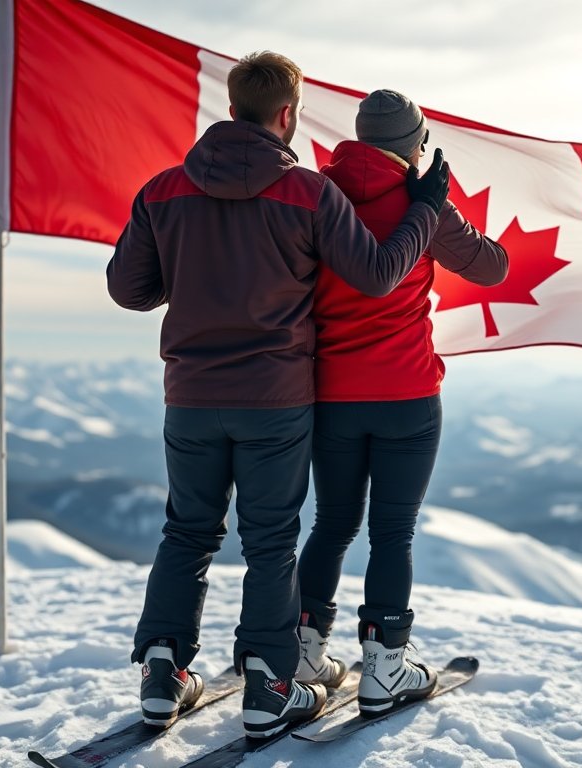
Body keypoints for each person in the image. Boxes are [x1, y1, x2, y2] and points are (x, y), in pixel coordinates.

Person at [106, 55, 451, 738]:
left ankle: (162, 675)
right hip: (275, 399)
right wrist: (424, 208)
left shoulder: (163, 191)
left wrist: (194, 273)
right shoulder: (308, 194)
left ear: (232, 108)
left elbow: (129, 290)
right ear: (287, 114)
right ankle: (269, 687)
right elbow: (378, 274)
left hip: (191, 396)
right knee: (270, 542)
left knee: (188, 531)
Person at [294, 89, 508, 716]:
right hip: (407, 395)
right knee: (393, 532)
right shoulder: (424, 206)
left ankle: (305, 654)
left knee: (331, 524)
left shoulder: (316, 195)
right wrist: (437, 206)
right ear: (416, 145)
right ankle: (385, 666)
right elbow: (492, 268)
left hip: (331, 394)